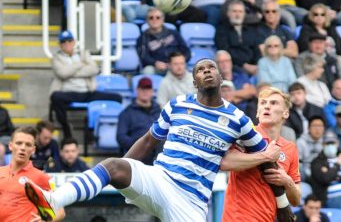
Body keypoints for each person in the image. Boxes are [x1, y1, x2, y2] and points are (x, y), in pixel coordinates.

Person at [24, 59, 282, 221]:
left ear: (220, 75)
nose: (207, 71)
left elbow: (268, 164)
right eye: (200, 69)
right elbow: (148, 141)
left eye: (211, 67)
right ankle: (53, 200)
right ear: (194, 81)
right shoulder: (176, 105)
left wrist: (282, 207)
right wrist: (121, 175)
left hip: (191, 201)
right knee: (113, 166)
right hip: (160, 179)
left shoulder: (238, 119)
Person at [221, 87, 301, 221]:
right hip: (238, 218)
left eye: (273, 103)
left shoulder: (290, 148)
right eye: (263, 103)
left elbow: (296, 200)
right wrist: (266, 156)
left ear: (285, 113)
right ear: (257, 112)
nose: (267, 106)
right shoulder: (246, 135)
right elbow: (225, 162)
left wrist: (287, 181)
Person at [50, 30, 122, 138]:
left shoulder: (83, 53)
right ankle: (66, 131)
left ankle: (96, 131)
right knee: (55, 97)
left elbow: (94, 69)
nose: (67, 43)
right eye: (63, 41)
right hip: (68, 93)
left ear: (74, 42)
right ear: (60, 44)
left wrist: (71, 72)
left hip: (87, 92)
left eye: (69, 40)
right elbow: (62, 73)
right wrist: (80, 64)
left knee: (117, 98)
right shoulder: (56, 58)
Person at [0, 126, 65, 221]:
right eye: (19, 143)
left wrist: (44, 221)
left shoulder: (42, 177)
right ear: (10, 146)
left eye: (28, 145)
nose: (22, 148)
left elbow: (60, 212)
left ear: (33, 150)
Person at [117, 77, 161, 165]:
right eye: (142, 89)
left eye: (148, 89)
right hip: (137, 154)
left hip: (157, 153)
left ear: (152, 91)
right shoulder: (127, 113)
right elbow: (121, 137)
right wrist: (139, 145)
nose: (145, 92)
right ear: (137, 90)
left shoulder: (160, 111)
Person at [136, 8, 191, 75]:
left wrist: (178, 61)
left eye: (158, 17)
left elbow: (186, 50)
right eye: (151, 17)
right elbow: (143, 56)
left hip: (175, 65)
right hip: (156, 67)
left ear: (162, 20)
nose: (154, 19)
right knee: (148, 71)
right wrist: (155, 63)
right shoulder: (143, 37)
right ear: (147, 20)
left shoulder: (173, 33)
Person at [215, 0, 262, 76]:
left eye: (240, 12)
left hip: (253, 66)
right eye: (234, 11)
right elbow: (225, 51)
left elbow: (257, 50)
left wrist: (257, 65)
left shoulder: (251, 30)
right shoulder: (221, 30)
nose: (237, 15)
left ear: (244, 14)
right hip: (234, 66)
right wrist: (244, 65)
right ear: (228, 13)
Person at [310, 132, 341, 211]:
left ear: (337, 144)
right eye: (327, 143)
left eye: (332, 143)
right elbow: (325, 179)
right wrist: (338, 164)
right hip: (332, 196)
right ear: (322, 145)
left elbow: (329, 176)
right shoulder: (317, 162)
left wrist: (337, 177)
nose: (330, 146)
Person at [297, 116, 326, 182]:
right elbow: (298, 163)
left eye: (320, 126)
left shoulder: (326, 142)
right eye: (315, 126)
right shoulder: (301, 142)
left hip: (322, 171)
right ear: (308, 128)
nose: (317, 129)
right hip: (306, 173)